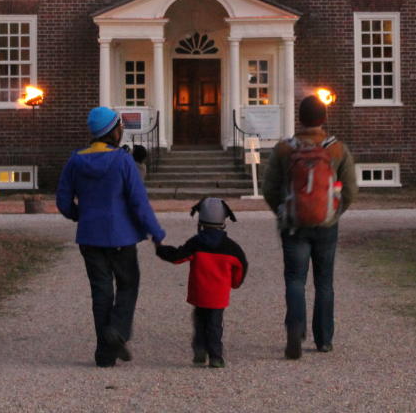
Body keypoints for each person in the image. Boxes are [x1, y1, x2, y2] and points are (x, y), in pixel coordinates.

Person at [56, 106, 167, 367]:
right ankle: (116, 331)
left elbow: (62, 200)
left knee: (101, 292)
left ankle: (105, 354)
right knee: (128, 285)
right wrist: (156, 232)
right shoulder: (122, 160)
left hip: (90, 237)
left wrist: (78, 215)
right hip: (121, 237)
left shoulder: (76, 159)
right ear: (114, 131)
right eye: (121, 127)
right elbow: (139, 202)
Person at [260, 94, 357, 359]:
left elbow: (269, 188)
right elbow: (350, 189)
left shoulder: (284, 149)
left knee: (295, 279)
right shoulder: (337, 149)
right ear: (324, 118)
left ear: (299, 118)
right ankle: (324, 339)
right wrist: (334, 213)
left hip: (294, 224)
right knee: (324, 282)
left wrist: (283, 211)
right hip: (326, 224)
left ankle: (295, 330)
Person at [156, 197, 249, 368]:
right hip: (218, 295)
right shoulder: (232, 248)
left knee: (200, 321)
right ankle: (215, 356)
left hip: (199, 292)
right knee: (215, 325)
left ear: (201, 221)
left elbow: (177, 257)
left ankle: (199, 349)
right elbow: (241, 267)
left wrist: (160, 248)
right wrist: (234, 283)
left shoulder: (196, 243)